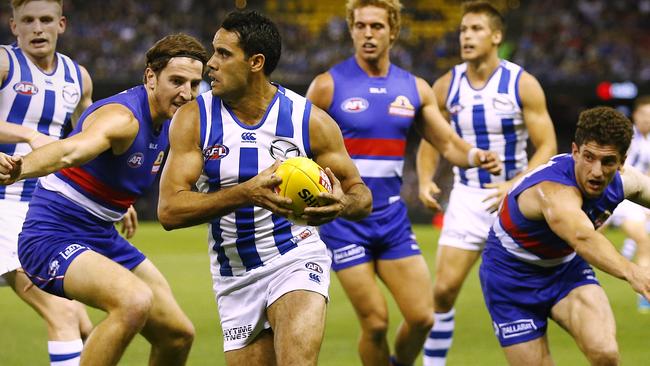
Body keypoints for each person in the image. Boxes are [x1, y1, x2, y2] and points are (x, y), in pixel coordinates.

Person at [157, 11, 372, 366]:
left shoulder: (309, 120)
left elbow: (361, 194)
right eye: (214, 51)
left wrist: (342, 204)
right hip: (234, 278)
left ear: (256, 62)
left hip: (295, 258)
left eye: (224, 54)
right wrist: (246, 192)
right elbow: (169, 211)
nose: (210, 63)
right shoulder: (194, 119)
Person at [306, 1, 501, 365]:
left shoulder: (413, 88)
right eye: (360, 25)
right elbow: (295, 146)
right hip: (345, 223)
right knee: (376, 323)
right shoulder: (327, 86)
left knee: (423, 317)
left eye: (377, 26)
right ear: (350, 30)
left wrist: (475, 156)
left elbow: (446, 142)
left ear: (392, 31)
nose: (368, 33)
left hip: (392, 220)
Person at [0, 33, 208, 366]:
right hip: (51, 236)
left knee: (177, 334)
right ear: (150, 78)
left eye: (195, 84)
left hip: (99, 235)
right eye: (177, 81)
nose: (187, 93)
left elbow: (111, 172)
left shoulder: (170, 123)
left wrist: (117, 204)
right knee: (134, 301)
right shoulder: (123, 119)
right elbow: (71, 150)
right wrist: (19, 168)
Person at [416, 2, 557, 364]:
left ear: (496, 36)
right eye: (463, 29)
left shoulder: (521, 83)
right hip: (467, 198)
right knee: (443, 291)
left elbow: (548, 146)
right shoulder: (447, 85)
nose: (466, 36)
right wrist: (425, 179)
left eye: (476, 29)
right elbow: (433, 138)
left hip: (516, 202)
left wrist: (515, 183)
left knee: (531, 292)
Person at [480, 106, 650, 365]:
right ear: (574, 151)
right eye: (588, 157)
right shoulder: (553, 191)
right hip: (511, 278)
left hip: (565, 271)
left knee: (605, 353)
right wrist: (632, 272)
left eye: (608, 162)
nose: (596, 171)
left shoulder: (626, 181)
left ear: (622, 162)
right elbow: (583, 238)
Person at [1, 1, 95, 364]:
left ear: (62, 24)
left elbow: (92, 138)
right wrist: (29, 135)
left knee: (85, 325)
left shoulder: (77, 76)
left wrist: (119, 198)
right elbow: (37, 138)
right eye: (27, 20)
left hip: (45, 211)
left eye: (45, 20)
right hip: (3, 207)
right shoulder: (5, 63)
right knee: (63, 314)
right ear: (13, 26)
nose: (37, 28)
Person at [606, 96, 650, 312]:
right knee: (585, 235)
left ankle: (643, 294)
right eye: (644, 115)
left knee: (643, 240)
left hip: (632, 199)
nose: (647, 120)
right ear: (635, 116)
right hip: (609, 191)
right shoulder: (626, 137)